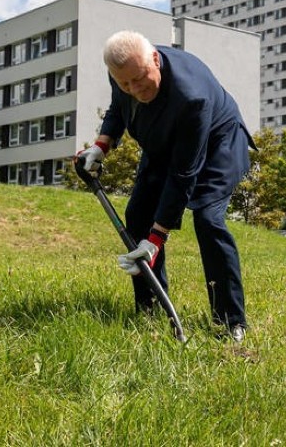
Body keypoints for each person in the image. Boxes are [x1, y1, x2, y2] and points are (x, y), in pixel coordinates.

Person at [76, 30, 254, 342]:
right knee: (138, 215)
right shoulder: (123, 70)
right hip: (164, 143)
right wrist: (101, 146)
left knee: (208, 220)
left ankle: (230, 322)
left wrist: (157, 238)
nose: (134, 89)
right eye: (124, 83)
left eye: (139, 79)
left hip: (217, 145)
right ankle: (150, 309)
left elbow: (183, 174)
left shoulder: (192, 97)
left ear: (155, 60)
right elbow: (119, 108)